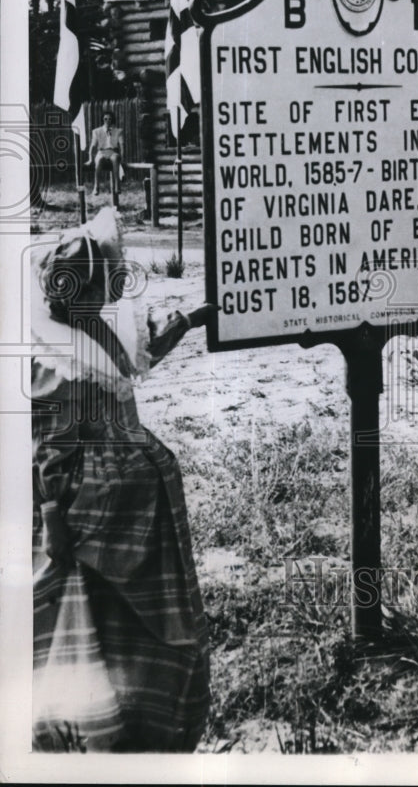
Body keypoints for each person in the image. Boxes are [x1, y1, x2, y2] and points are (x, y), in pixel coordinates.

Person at [31, 207, 213, 750]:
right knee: (84, 602)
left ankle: (143, 703)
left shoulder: (94, 331)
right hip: (87, 505)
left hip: (130, 497)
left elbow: (140, 357)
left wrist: (189, 319)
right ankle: (91, 723)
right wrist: (50, 518)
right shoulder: (58, 354)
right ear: (72, 294)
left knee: (134, 614)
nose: (107, 297)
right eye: (98, 288)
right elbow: (48, 443)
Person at [86, 111, 124, 198]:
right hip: (101, 151)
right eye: (105, 119)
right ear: (103, 120)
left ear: (112, 120)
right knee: (99, 160)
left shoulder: (118, 131)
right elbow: (92, 145)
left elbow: (122, 146)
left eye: (110, 119)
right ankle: (96, 186)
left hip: (113, 152)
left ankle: (117, 185)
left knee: (115, 158)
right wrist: (90, 159)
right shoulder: (96, 131)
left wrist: (122, 158)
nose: (107, 121)